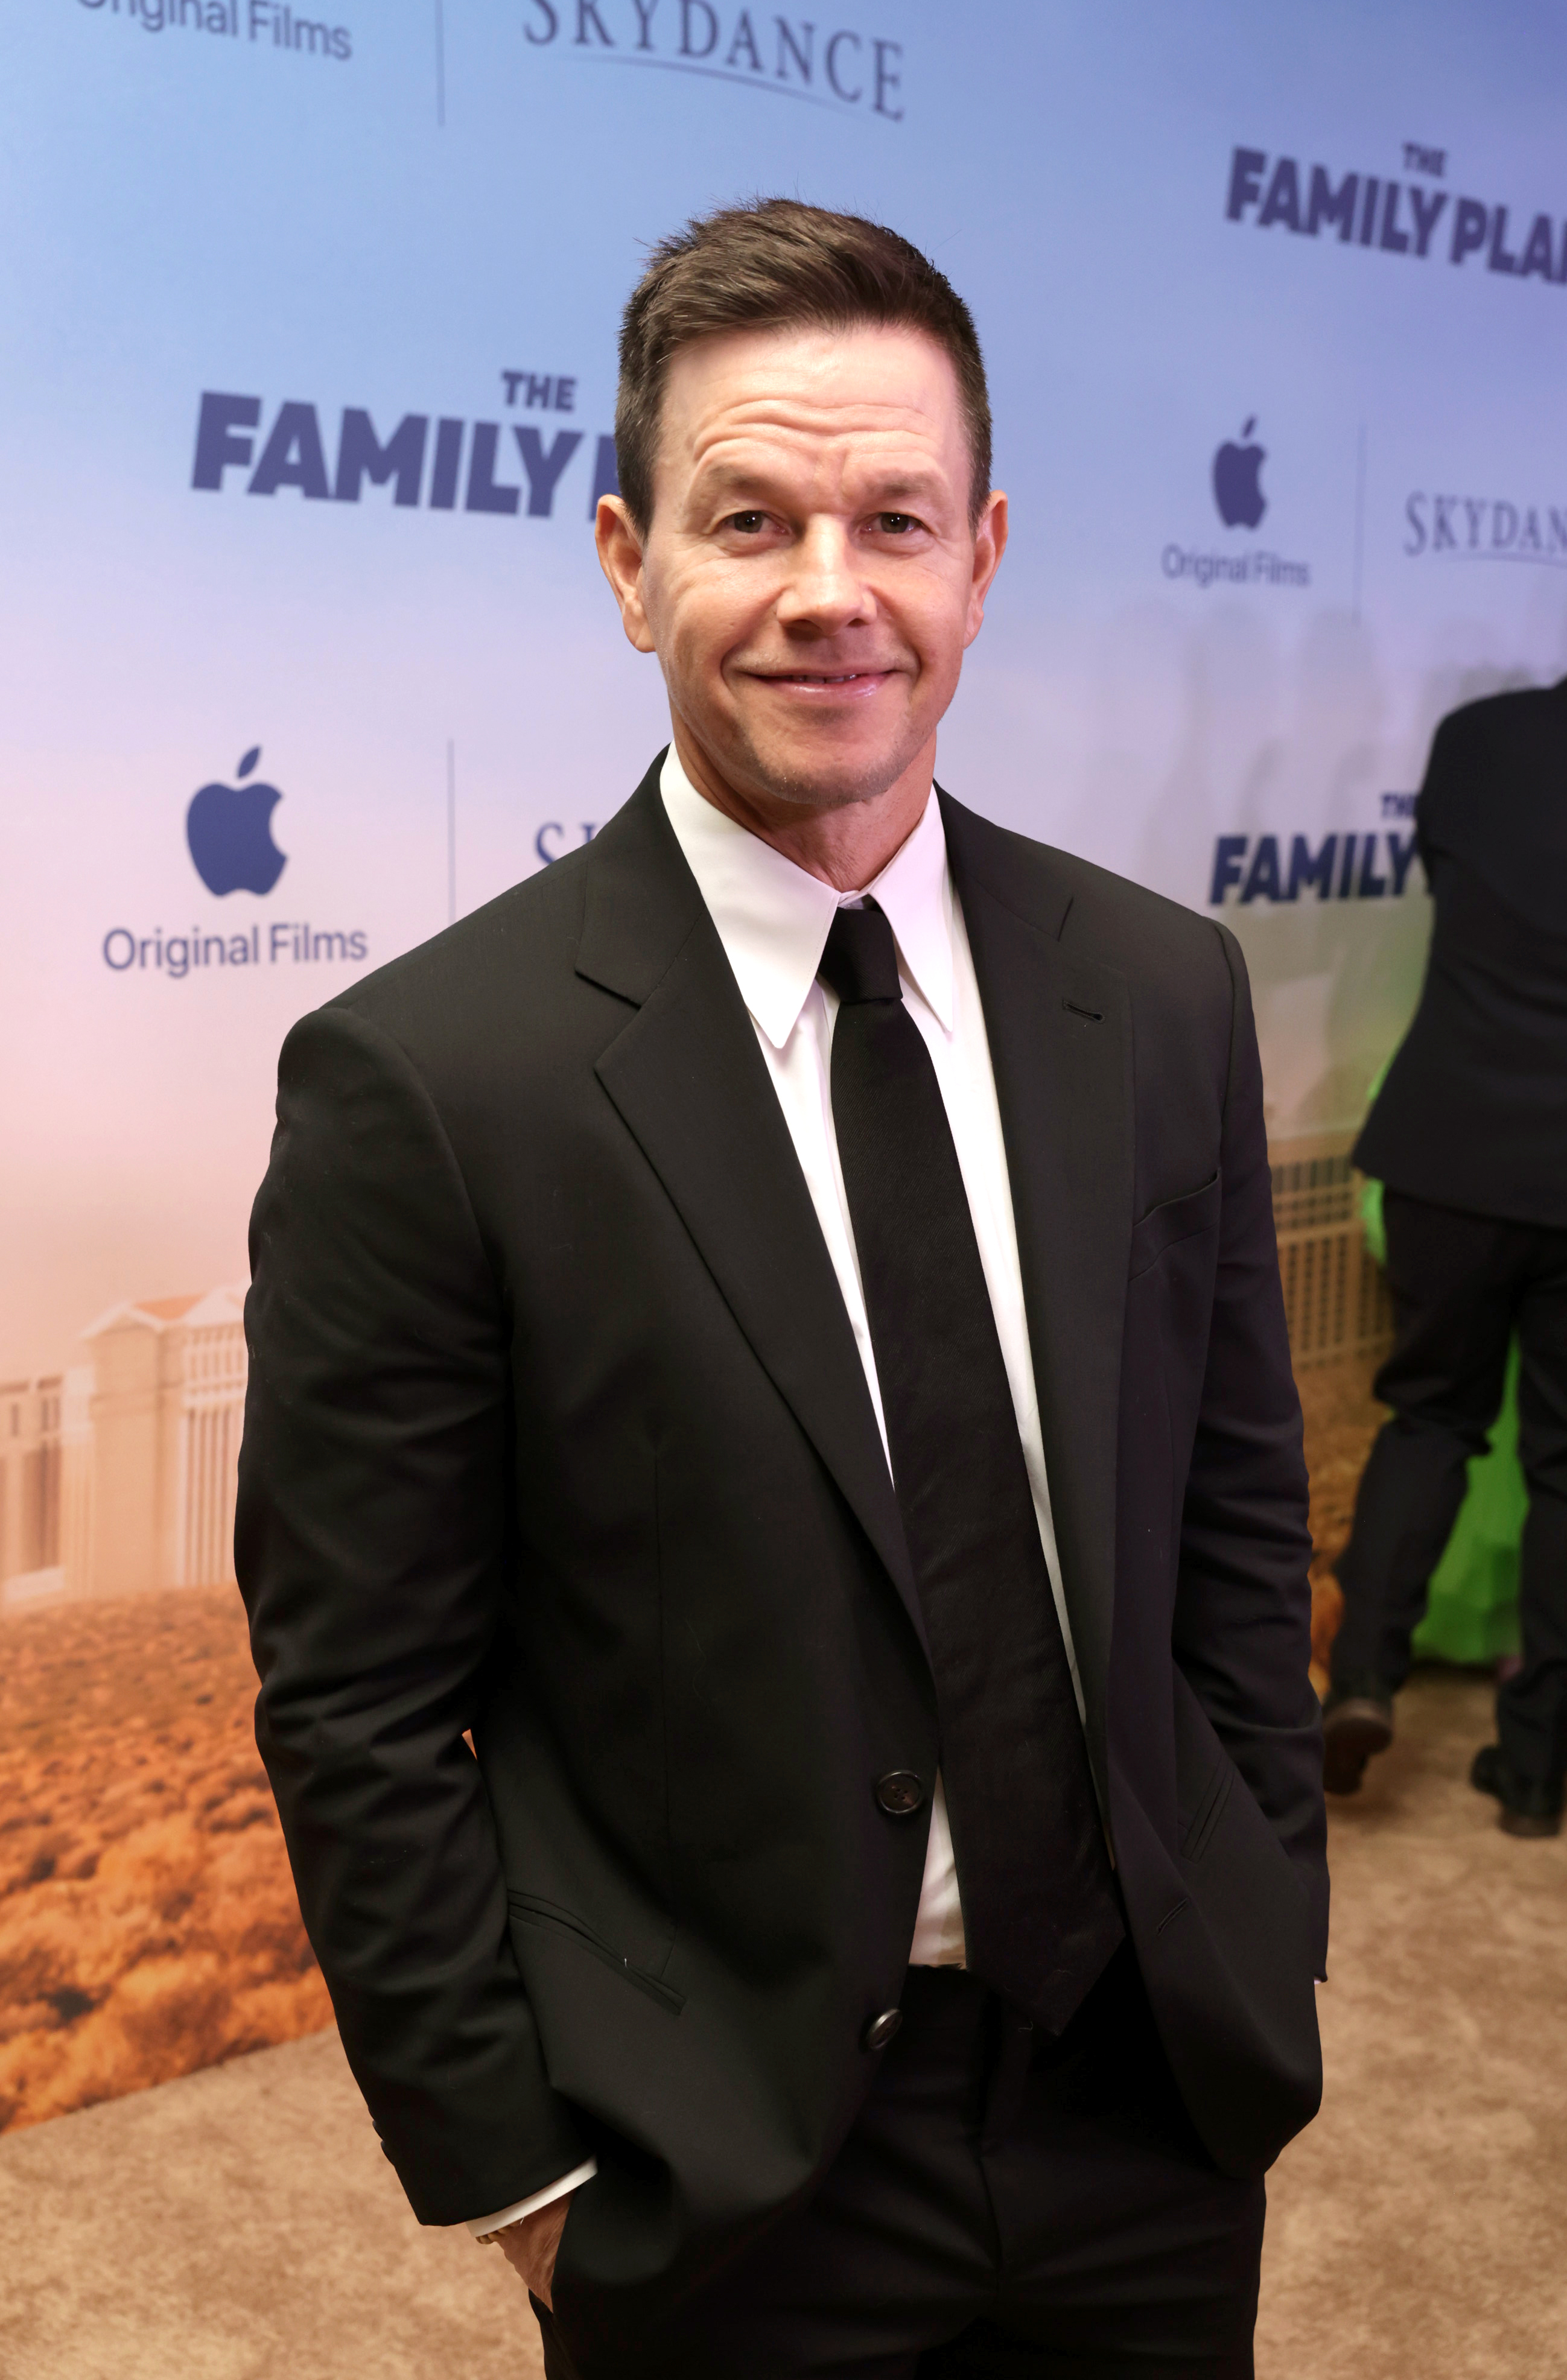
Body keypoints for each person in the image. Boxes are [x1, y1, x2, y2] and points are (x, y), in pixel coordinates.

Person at [237, 200, 1326, 2380]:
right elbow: (358, 1697)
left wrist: (1257, 1920)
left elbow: (1219, 1516)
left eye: (892, 519)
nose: (829, 591)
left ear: (981, 557)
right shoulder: (434, 1083)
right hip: (720, 2168)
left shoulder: (1156, 989)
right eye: (750, 516)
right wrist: (517, 2173)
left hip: (1142, 2095)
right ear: (630, 559)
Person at [1324, 680, 1567, 1833]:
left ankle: (1361, 1681)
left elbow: (1451, 886)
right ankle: (1532, 1772)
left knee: (1427, 1417)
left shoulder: (1475, 737)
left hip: (1447, 1146)